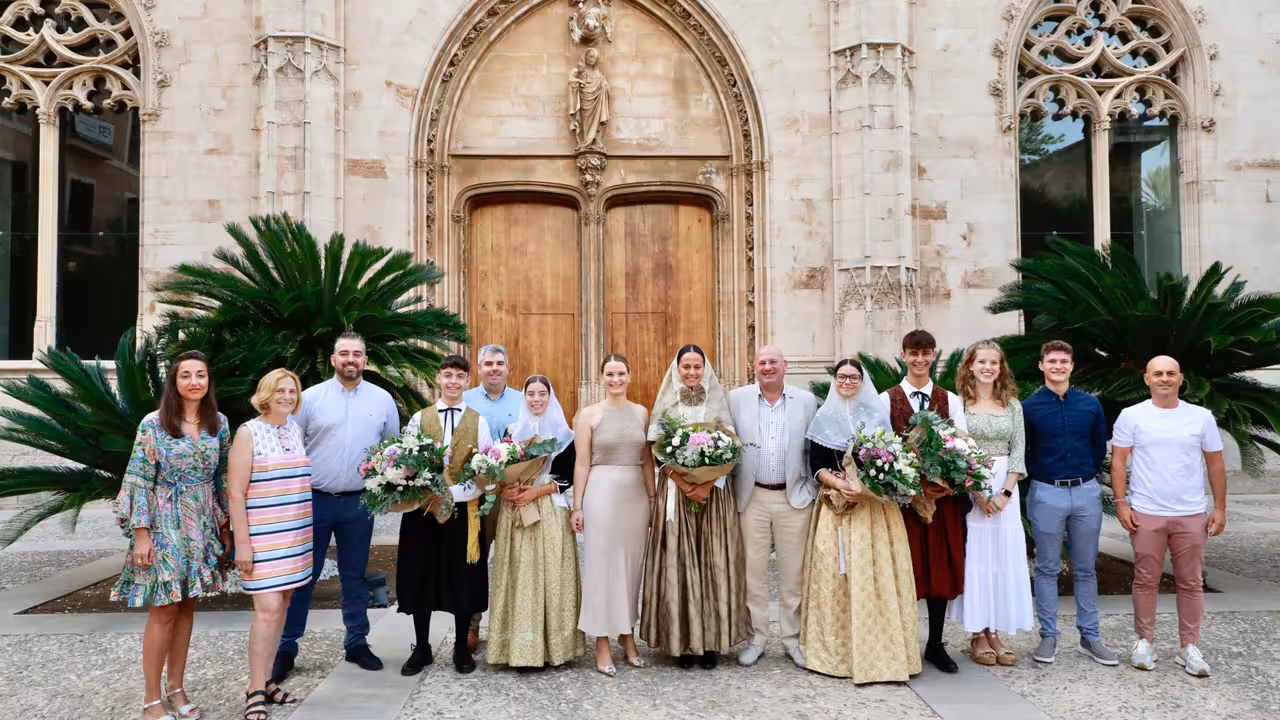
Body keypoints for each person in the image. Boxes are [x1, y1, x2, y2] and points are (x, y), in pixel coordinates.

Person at [274, 331, 401, 683]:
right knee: (303, 575)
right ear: (333, 359)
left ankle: (356, 642)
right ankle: (286, 647)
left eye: (357, 354)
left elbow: (391, 450)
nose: (350, 359)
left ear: (365, 360)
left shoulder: (383, 400)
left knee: (354, 576)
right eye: (344, 353)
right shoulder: (310, 399)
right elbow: (291, 446)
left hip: (359, 503)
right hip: (313, 500)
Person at [112, 350, 231, 720]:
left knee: (187, 606)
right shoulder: (153, 424)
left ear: (209, 380)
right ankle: (151, 699)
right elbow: (138, 480)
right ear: (174, 382)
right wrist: (142, 535)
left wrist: (225, 526)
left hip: (201, 526)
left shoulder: (219, 423)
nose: (194, 381)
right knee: (163, 610)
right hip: (163, 524)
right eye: (186, 375)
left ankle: (176, 688)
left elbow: (223, 477)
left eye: (201, 374)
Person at [799, 358, 921, 684]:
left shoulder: (877, 415)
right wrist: (840, 484)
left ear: (862, 381)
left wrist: (870, 486)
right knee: (836, 577)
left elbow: (891, 461)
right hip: (837, 508)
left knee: (878, 577)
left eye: (854, 377)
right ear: (835, 380)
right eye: (842, 377)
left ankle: (882, 654)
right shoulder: (823, 417)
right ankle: (836, 654)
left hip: (875, 510)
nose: (847, 382)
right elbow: (816, 466)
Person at [1112, 355, 1227, 678]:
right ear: (1146, 379)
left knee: (1191, 582)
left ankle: (1189, 646)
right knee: (1145, 579)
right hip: (1146, 513)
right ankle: (1144, 641)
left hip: (1190, 514)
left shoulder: (1201, 417)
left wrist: (1220, 508)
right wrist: (1121, 504)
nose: (1164, 378)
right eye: (1158, 373)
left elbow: (1215, 463)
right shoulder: (1131, 416)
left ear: (1181, 379)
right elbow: (1119, 462)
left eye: (1171, 373)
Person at [640, 345, 747, 670]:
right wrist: (686, 484)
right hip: (677, 492)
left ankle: (710, 642)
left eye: (697, 366)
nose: (691, 372)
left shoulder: (717, 401)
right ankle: (683, 642)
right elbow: (658, 452)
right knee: (680, 561)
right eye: (685, 367)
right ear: (677, 370)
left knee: (712, 562)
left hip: (713, 495)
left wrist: (706, 483)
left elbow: (730, 448)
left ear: (704, 369)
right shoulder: (667, 403)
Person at [397, 354, 495, 675]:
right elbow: (406, 462)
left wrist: (452, 494)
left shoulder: (479, 422)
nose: (453, 381)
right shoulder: (419, 418)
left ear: (468, 381)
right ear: (438, 379)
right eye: (448, 375)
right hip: (423, 511)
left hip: (463, 512)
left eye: (459, 376)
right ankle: (422, 648)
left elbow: (487, 470)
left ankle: (460, 649)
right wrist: (426, 490)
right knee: (421, 575)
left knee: (462, 578)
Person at [1021, 340, 1117, 666]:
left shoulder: (1090, 404)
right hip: (1046, 491)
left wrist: (1084, 475)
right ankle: (1048, 635)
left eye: (1063, 361)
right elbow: (1025, 450)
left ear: (1072, 366)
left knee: (1086, 567)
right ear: (1042, 365)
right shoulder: (1029, 407)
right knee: (1047, 567)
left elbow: (1098, 448)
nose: (1058, 366)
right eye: (1052, 361)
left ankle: (1090, 636)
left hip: (1086, 491)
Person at [878, 329, 967, 673]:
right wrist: (910, 485)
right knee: (905, 570)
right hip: (903, 504)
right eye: (913, 353)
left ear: (933, 356)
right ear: (904, 356)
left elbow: (962, 445)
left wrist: (946, 482)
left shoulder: (950, 399)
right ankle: (902, 645)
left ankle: (935, 644)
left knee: (938, 571)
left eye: (925, 353)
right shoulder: (886, 399)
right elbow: (879, 450)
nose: (919, 359)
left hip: (941, 502)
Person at [228, 369, 313, 719]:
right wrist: (242, 545)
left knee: (284, 605)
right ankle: (254, 688)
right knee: (267, 611)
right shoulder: (248, 432)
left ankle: (266, 680)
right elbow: (235, 493)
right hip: (263, 539)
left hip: (296, 535)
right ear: (266, 393)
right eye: (280, 391)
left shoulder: (294, 429)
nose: (287, 397)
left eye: (292, 391)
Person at [486, 375, 585, 672]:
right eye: (531, 394)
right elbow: (496, 471)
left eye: (542, 394)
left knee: (551, 575)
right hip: (516, 509)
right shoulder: (512, 432)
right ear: (524, 397)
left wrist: (536, 492)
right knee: (520, 575)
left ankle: (555, 647)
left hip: (549, 510)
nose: (536, 399)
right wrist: (507, 489)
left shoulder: (566, 435)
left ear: (550, 397)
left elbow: (567, 479)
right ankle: (520, 649)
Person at [728, 345, 818, 668]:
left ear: (785, 365)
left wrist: (811, 489)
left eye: (773, 362)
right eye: (762, 363)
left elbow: (816, 447)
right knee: (753, 573)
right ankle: (757, 638)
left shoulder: (806, 401)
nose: (767, 367)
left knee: (793, 573)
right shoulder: (736, 399)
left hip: (793, 498)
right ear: (754, 367)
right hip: (751, 497)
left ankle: (792, 640)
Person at [947, 341, 1033, 666]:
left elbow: (1018, 452)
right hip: (972, 487)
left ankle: (995, 631)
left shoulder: (1013, 405)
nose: (988, 367)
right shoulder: (959, 405)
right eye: (982, 361)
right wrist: (979, 494)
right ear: (970, 365)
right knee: (978, 559)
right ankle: (978, 634)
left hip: (1006, 488)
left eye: (993, 363)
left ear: (1001, 367)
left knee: (1002, 558)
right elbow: (955, 451)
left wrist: (1005, 494)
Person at [574, 353, 654, 676]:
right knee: (602, 568)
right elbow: (582, 464)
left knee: (631, 569)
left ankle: (627, 634)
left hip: (635, 498)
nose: (616, 379)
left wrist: (652, 498)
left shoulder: (642, 413)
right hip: (601, 495)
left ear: (630, 376)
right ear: (602, 378)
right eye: (610, 374)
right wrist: (577, 505)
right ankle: (602, 640)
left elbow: (647, 461)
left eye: (621, 373)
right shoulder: (588, 415)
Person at [462, 343, 523, 650]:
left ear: (508, 368)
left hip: (515, 493)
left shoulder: (523, 400)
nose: (494, 368)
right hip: (478, 493)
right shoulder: (465, 400)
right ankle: (472, 624)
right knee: (475, 559)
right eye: (488, 364)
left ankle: (514, 628)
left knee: (517, 559)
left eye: (500, 363)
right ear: (479, 368)